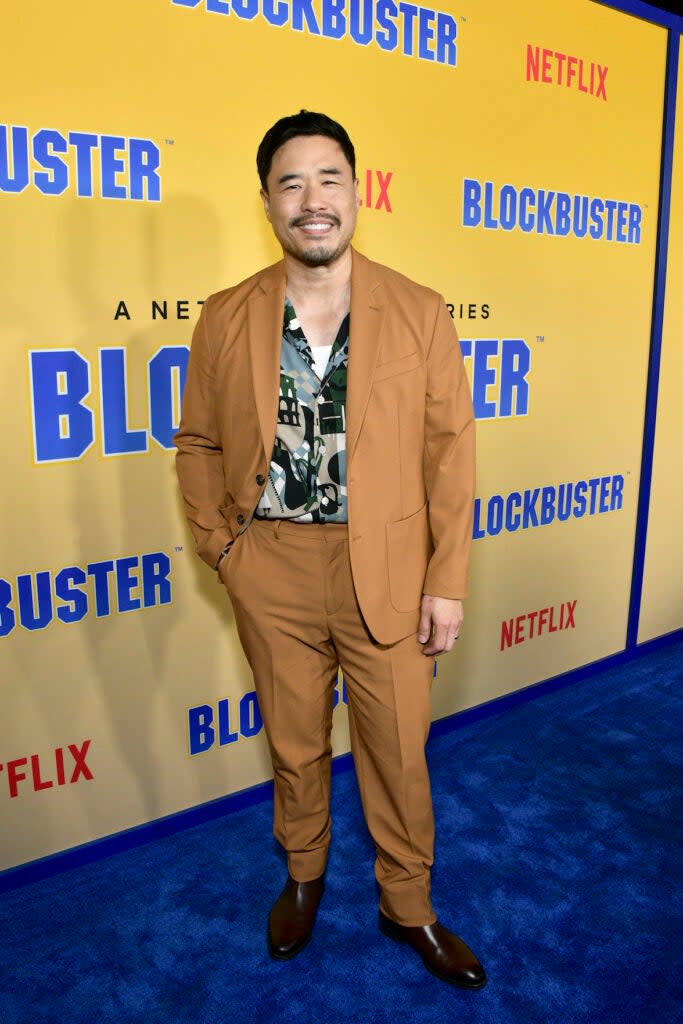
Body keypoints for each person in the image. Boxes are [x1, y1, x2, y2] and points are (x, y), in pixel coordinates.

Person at [174, 110, 485, 989]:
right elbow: (197, 442)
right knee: (295, 743)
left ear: (356, 190)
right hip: (266, 566)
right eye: (291, 183)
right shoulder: (226, 316)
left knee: (397, 751)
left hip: (384, 570)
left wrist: (445, 581)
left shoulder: (419, 311)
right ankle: (304, 874)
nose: (312, 201)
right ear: (268, 202)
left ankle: (409, 906)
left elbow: (449, 454)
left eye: (328, 179)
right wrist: (221, 547)